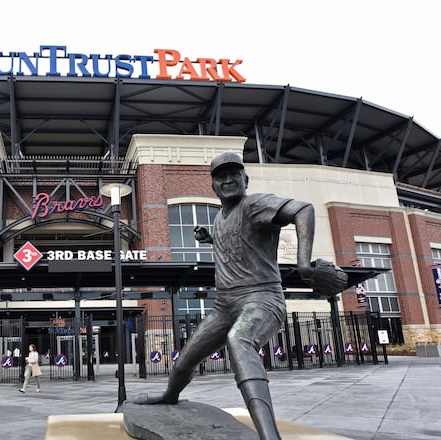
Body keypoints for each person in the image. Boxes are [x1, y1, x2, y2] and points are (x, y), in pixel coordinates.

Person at [133, 151, 317, 440]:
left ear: (246, 179)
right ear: (213, 186)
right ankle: (170, 395)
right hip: (224, 305)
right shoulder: (220, 217)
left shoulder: (255, 204)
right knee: (184, 360)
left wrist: (304, 263)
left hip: (261, 298)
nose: (228, 179)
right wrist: (209, 237)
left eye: (234, 174)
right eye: (221, 176)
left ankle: (270, 436)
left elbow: (303, 209)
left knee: (239, 340)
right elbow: (233, 240)